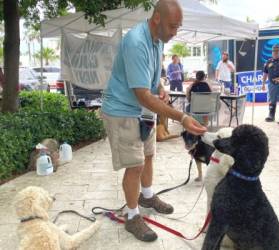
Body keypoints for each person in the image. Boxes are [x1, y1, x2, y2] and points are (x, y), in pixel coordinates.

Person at [101, 0, 207, 242]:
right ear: (156, 18)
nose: (174, 33)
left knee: (148, 155)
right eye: (172, 26)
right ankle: (131, 216)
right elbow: (142, 95)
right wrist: (181, 116)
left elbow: (150, 77)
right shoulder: (136, 42)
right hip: (122, 110)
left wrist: (160, 86)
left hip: (142, 108)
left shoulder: (158, 39)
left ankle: (147, 196)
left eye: (178, 27)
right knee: (135, 164)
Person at [185, 70, 211, 182]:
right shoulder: (206, 85)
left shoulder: (192, 86)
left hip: (194, 113)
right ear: (204, 77)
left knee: (187, 108)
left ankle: (194, 127)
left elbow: (188, 98)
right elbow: (211, 98)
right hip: (205, 114)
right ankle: (205, 127)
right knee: (206, 109)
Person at [262, 44, 279, 123]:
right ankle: (271, 116)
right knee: (272, 100)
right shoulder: (268, 61)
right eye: (274, 51)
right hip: (272, 84)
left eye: (277, 51)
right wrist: (263, 84)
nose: (275, 52)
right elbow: (265, 73)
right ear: (272, 52)